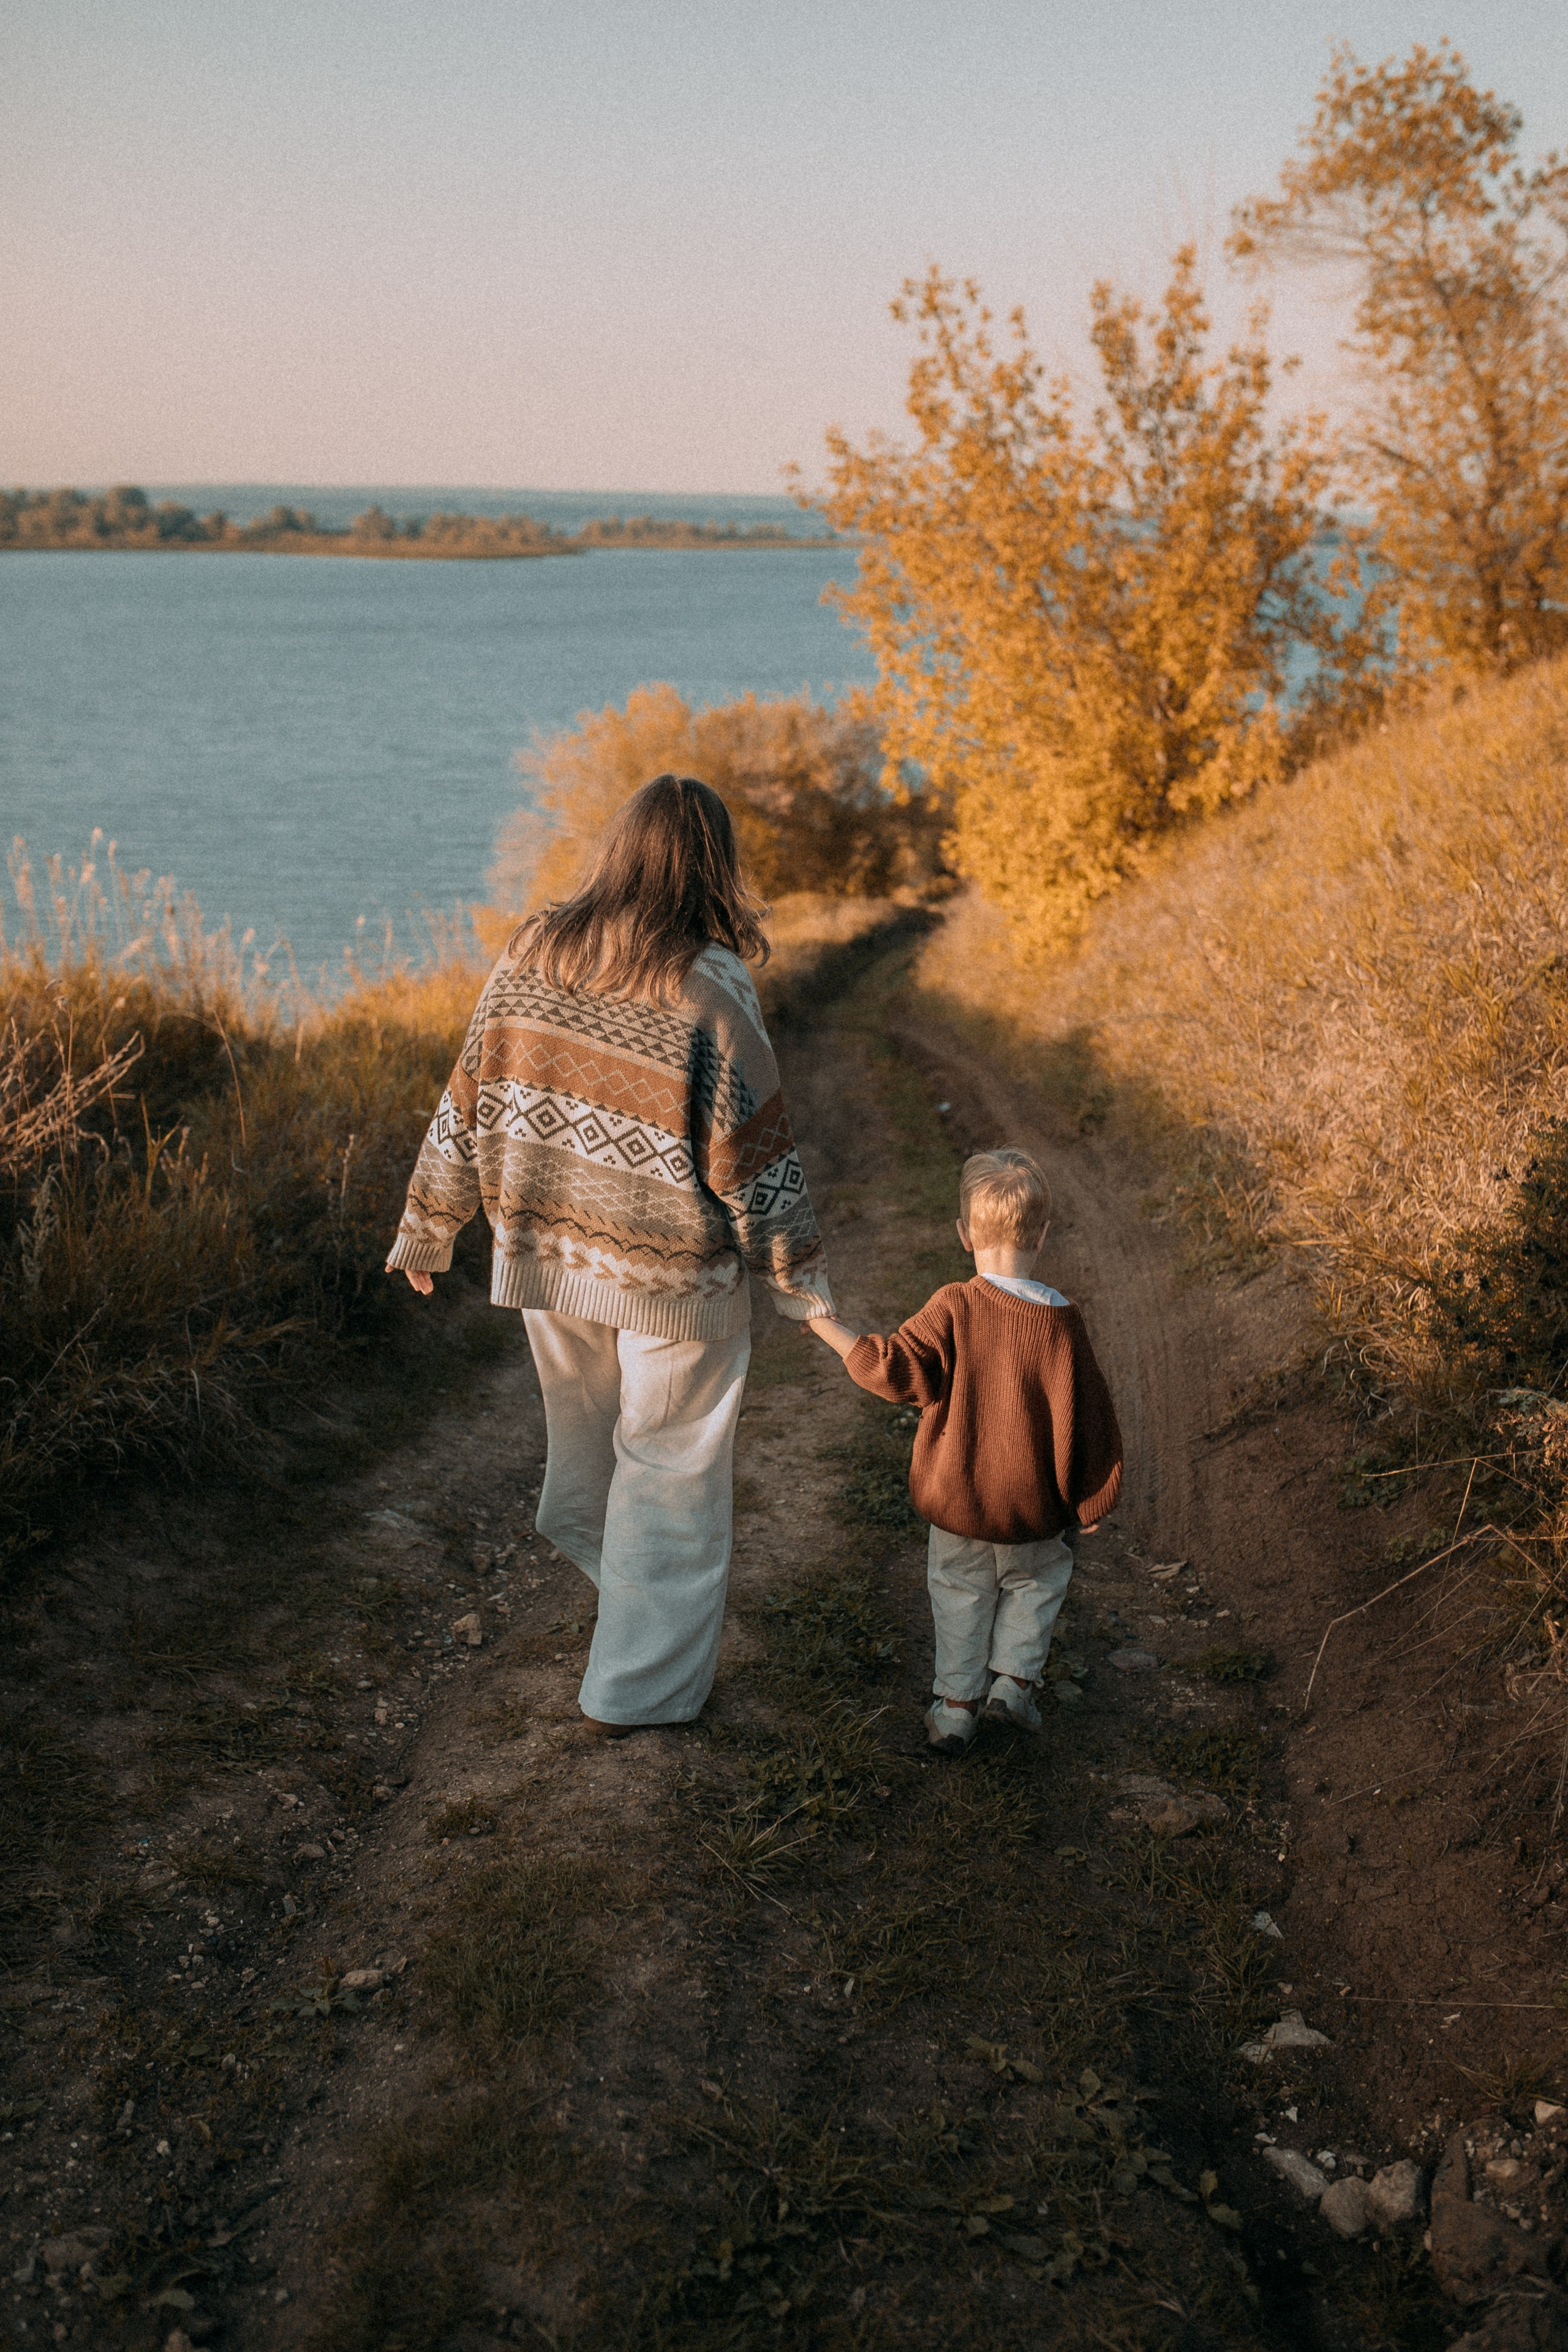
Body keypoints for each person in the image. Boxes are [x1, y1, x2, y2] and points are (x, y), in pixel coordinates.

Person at [385, 774, 834, 1734]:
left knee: (596, 1444)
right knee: (669, 1471)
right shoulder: (711, 981)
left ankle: (619, 1588)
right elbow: (755, 1153)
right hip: (674, 1272)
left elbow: (473, 1090)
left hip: (551, 1251)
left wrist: (430, 1219)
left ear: (618, 849)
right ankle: (640, 1694)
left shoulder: (535, 949)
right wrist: (802, 1286)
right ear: (713, 865)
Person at [805, 1147, 1121, 1754]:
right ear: (1045, 1234)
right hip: (1033, 1510)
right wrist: (1090, 1498)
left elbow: (891, 1369)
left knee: (958, 1591)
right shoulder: (1063, 1322)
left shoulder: (952, 1304)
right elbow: (1089, 1416)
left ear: (963, 1235)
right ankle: (1013, 1685)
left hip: (958, 1502)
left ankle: (954, 1710)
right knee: (1036, 1584)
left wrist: (824, 1324)